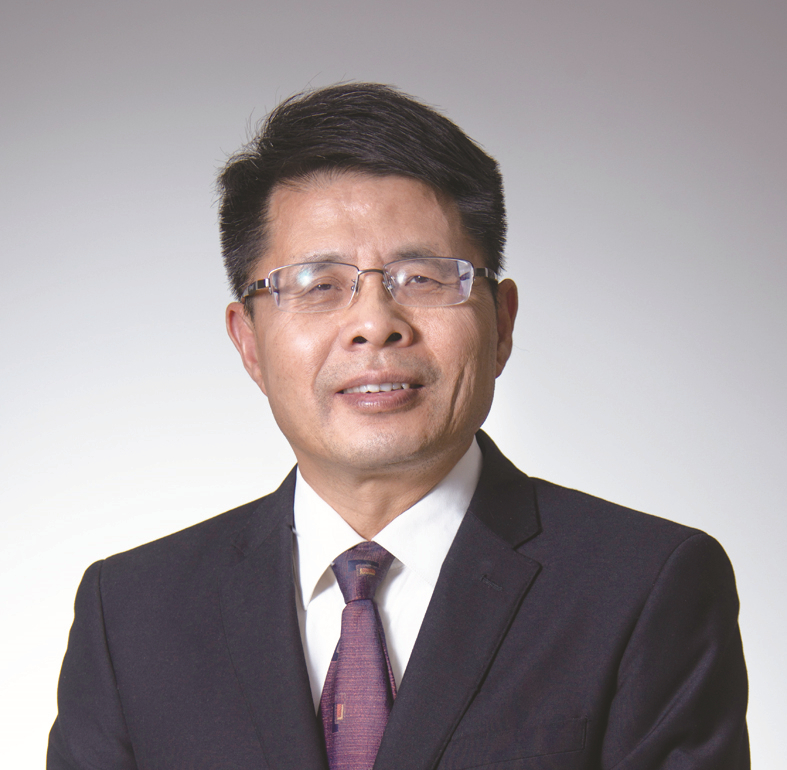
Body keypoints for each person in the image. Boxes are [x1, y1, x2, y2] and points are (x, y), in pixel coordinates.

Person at [48, 83, 749, 770]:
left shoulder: (644, 585)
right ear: (249, 343)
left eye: (423, 278)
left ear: (501, 324)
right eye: (319, 285)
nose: (374, 323)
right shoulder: (131, 613)